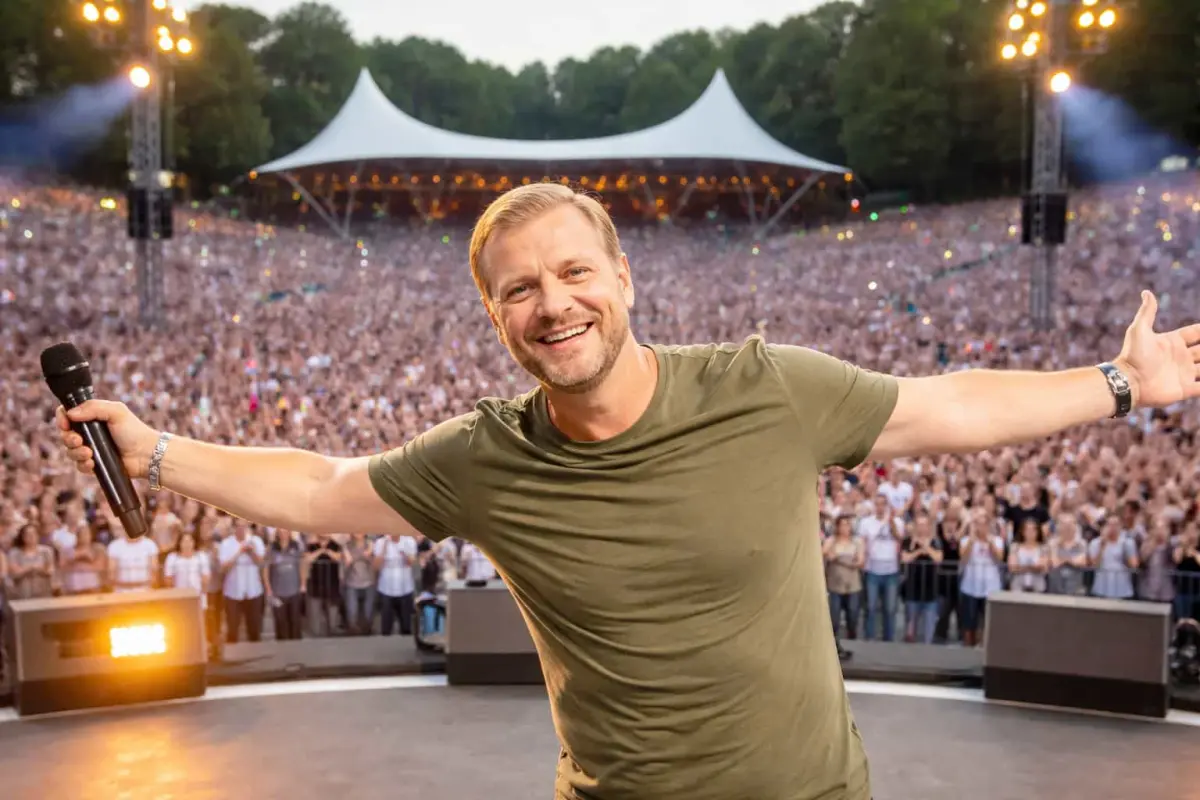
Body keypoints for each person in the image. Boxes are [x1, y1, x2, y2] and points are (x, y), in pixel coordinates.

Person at [54, 183, 1200, 800]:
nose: (551, 304)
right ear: (494, 317)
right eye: (517, 290)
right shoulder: (484, 457)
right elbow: (323, 485)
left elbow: (945, 405)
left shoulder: (768, 388)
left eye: (572, 271)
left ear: (623, 277)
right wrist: (156, 449)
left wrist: (1118, 383)